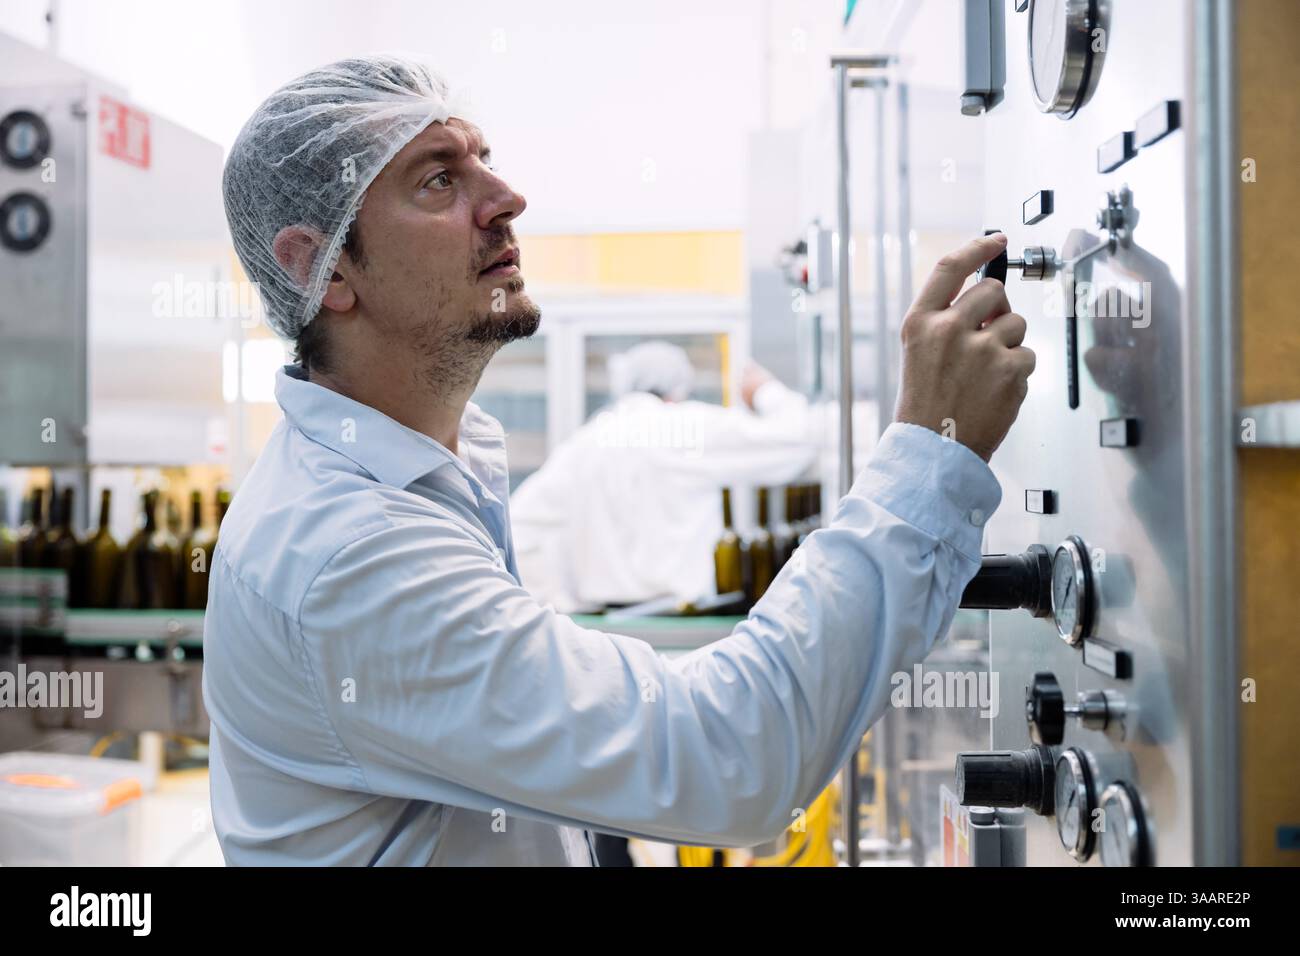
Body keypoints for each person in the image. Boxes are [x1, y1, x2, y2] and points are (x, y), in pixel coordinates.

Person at [205, 54, 1033, 866]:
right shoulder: (344, 553)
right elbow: (722, 758)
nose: (507, 198)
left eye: (483, 160)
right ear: (322, 266)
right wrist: (932, 448)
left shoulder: (431, 475)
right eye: (438, 181)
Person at [510, 340, 816, 613]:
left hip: (604, 624)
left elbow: (518, 527)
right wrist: (765, 390)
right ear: (678, 389)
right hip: (680, 617)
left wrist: (556, 600)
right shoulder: (685, 428)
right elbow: (798, 439)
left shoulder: (585, 442)